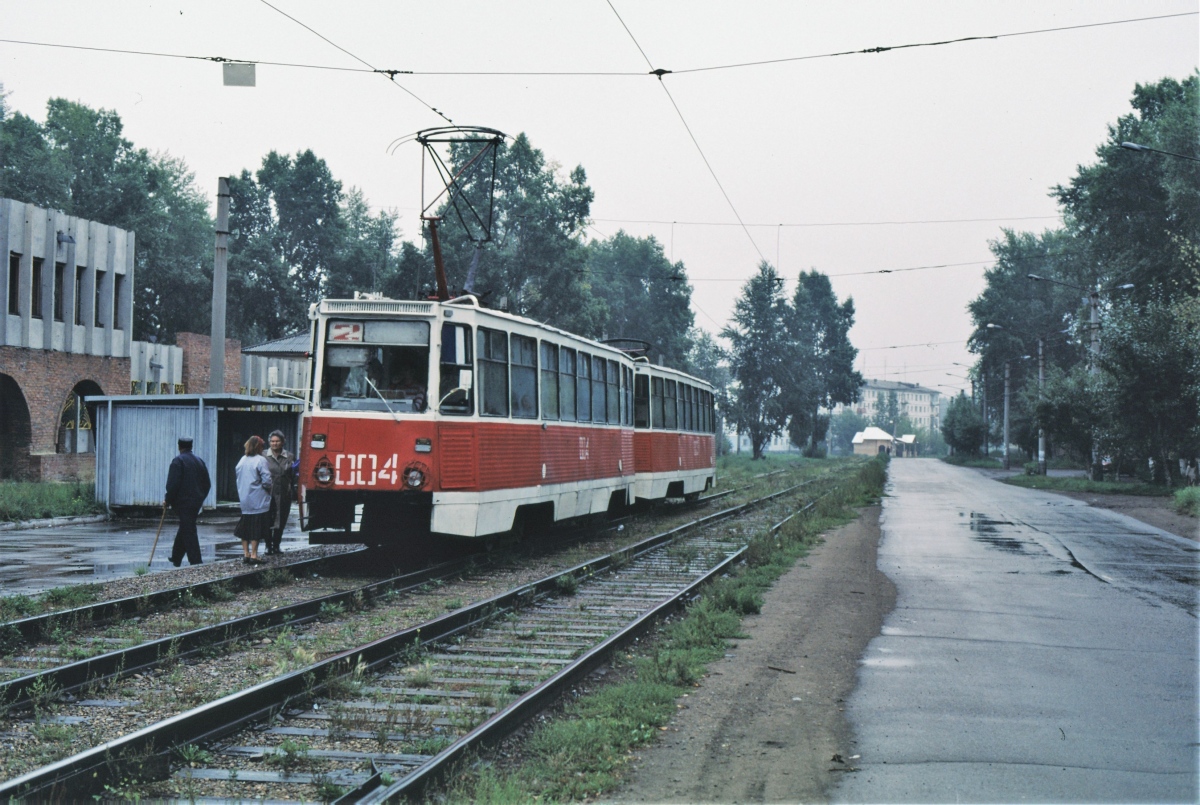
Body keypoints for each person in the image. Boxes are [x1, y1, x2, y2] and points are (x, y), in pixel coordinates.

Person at [164, 436, 211, 567]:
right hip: (196, 501)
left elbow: (173, 484)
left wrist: (168, 500)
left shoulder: (178, 461)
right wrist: (201, 497)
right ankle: (176, 557)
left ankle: (196, 560)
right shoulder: (199, 461)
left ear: (179, 446)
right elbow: (207, 483)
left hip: (183, 502)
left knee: (188, 529)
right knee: (186, 526)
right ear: (191, 446)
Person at [234, 435, 273, 565]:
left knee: (245, 527)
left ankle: (246, 553)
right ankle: (254, 555)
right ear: (258, 447)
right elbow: (267, 481)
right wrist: (269, 490)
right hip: (258, 498)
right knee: (256, 528)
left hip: (245, 498)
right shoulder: (261, 460)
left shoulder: (242, 460)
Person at [263, 429, 294, 556]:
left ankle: (276, 545)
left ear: (283, 442)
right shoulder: (263, 455)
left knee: (281, 519)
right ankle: (267, 546)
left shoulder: (290, 456)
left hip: (284, 493)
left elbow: (293, 475)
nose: (274, 444)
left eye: (277, 441)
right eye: (272, 441)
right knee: (267, 519)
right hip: (267, 493)